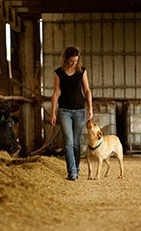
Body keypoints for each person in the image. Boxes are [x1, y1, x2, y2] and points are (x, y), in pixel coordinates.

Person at [50, 46, 93, 181]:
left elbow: (87, 91)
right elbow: (56, 92)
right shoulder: (59, 73)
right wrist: (53, 113)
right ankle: (72, 172)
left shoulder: (82, 71)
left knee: (76, 143)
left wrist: (90, 108)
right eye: (71, 60)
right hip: (64, 111)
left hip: (80, 111)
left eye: (76, 60)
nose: (74, 63)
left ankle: (77, 168)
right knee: (68, 141)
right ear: (66, 59)